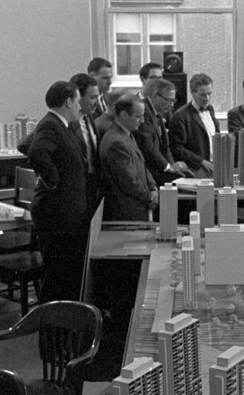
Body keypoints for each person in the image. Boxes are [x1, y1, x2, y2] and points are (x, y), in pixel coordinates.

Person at [27, 81, 89, 303]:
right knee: (56, 274)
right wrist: (52, 180)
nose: (79, 107)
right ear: (68, 101)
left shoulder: (58, 125)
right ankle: (50, 326)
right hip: (56, 213)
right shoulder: (51, 125)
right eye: (78, 101)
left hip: (66, 213)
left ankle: (61, 323)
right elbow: (35, 151)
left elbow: (26, 144)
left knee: (63, 273)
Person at [100, 95, 159, 221]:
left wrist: (153, 187)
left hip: (137, 207)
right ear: (124, 115)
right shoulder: (116, 142)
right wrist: (150, 197)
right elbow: (129, 181)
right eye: (138, 116)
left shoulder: (127, 134)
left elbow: (142, 164)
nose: (142, 121)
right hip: (127, 213)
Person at [134, 78, 193, 188]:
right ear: (155, 96)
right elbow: (147, 146)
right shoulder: (144, 110)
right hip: (150, 174)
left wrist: (174, 169)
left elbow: (166, 147)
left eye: (173, 101)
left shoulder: (158, 112)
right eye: (168, 100)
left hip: (159, 171)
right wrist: (168, 167)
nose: (171, 105)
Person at [169, 73, 220, 179]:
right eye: (202, 95)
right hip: (195, 169)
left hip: (213, 167)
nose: (207, 98)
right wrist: (201, 161)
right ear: (192, 92)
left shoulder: (210, 109)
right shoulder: (180, 115)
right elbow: (177, 148)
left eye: (209, 94)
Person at [70, 73, 103, 212]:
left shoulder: (89, 117)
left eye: (97, 97)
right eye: (92, 97)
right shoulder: (65, 123)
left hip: (92, 186)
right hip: (75, 190)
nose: (96, 102)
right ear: (78, 98)